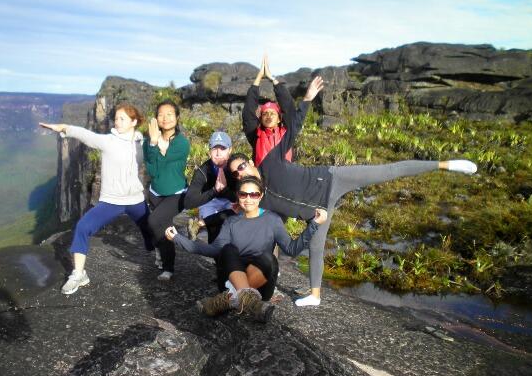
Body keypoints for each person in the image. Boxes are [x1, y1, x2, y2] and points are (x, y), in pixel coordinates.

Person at [227, 148, 478, 307]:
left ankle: (447, 164)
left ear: (250, 162)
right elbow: (267, 233)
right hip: (319, 214)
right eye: (235, 174)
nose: (240, 172)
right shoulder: (259, 197)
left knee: (387, 171)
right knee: (316, 249)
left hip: (333, 178)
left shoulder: (270, 162)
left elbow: (287, 125)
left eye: (241, 166)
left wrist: (305, 99)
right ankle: (315, 296)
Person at [165, 176, 328, 322]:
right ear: (238, 195)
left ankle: (227, 300)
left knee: (269, 259)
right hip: (230, 280)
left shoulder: (272, 220)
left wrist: (314, 225)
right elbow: (213, 250)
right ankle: (250, 302)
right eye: (243, 194)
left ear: (261, 196)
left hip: (262, 284)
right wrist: (177, 239)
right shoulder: (231, 222)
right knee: (227, 249)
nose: (248, 199)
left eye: (254, 194)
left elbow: (291, 249)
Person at [39, 104, 153, 295]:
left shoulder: (143, 143)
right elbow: (85, 134)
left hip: (135, 199)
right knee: (83, 227)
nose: (117, 122)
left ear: (134, 122)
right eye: (116, 118)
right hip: (111, 201)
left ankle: (157, 255)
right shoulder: (108, 141)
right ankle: (78, 274)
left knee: (150, 229)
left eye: (122, 118)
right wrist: (64, 128)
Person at [243, 54, 324, 166]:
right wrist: (259, 76)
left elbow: (288, 106)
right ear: (260, 119)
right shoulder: (255, 135)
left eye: (273, 113)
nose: (269, 115)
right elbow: (248, 111)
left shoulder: (287, 134)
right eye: (265, 113)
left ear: (279, 119)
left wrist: (272, 78)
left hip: (285, 181)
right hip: (262, 182)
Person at [143, 99, 190, 281]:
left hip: (176, 194)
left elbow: (163, 164)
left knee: (154, 221)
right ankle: (167, 266)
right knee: (164, 228)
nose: (165, 118)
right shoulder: (149, 143)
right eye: (161, 114)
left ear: (177, 118)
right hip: (156, 193)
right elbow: (153, 172)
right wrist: (153, 144)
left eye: (170, 114)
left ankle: (163, 257)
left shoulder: (181, 143)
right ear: (156, 119)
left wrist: (155, 144)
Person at [183, 131, 237, 244]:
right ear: (209, 152)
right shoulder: (203, 171)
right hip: (210, 200)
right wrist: (214, 191)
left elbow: (242, 197)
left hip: (231, 200)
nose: (218, 153)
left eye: (222, 148)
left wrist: (225, 190)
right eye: (214, 149)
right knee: (214, 229)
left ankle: (201, 223)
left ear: (230, 150)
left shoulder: (237, 166)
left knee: (235, 224)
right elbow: (188, 203)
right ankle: (217, 256)